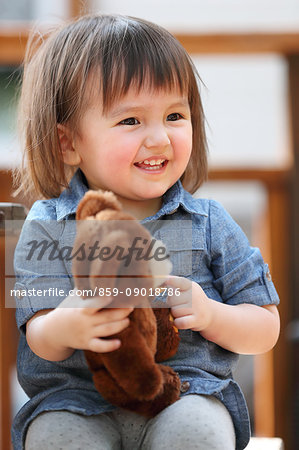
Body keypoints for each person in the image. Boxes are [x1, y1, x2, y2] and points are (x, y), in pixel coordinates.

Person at [12, 13, 280, 450]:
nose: (159, 138)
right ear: (69, 142)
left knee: (198, 435)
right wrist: (69, 325)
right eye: (131, 121)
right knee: (54, 438)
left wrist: (212, 314)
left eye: (175, 115)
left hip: (187, 395)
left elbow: (266, 326)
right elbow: (38, 336)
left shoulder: (209, 221)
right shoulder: (46, 225)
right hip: (75, 402)